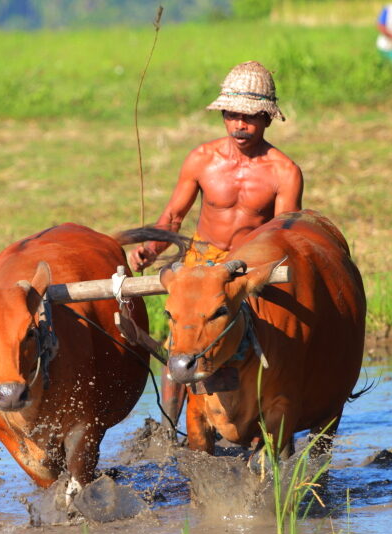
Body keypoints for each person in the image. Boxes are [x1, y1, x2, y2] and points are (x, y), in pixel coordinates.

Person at [127, 60, 303, 436]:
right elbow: (172, 219)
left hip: (245, 268)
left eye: (250, 117)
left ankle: (261, 415)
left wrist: (252, 272)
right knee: (181, 341)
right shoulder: (201, 160)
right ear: (223, 115)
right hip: (198, 265)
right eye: (232, 115)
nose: (240, 125)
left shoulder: (284, 172)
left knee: (265, 343)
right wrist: (151, 250)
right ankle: (168, 430)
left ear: (268, 119)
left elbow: (282, 236)